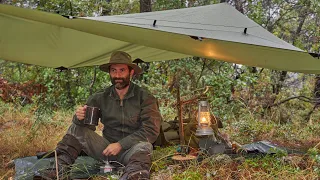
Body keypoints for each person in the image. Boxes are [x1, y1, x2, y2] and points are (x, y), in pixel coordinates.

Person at [43, 51, 162, 180]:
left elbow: (150, 131)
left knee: (145, 146)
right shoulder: (100, 97)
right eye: (113, 71)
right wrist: (79, 117)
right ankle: (57, 170)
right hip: (106, 151)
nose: (117, 75)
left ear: (131, 72)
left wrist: (121, 144)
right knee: (75, 128)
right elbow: (87, 127)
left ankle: (133, 175)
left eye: (122, 70)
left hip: (132, 151)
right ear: (109, 73)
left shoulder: (145, 97)